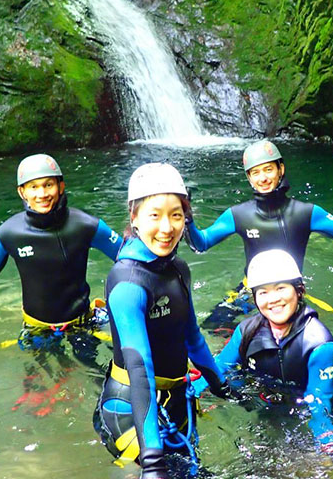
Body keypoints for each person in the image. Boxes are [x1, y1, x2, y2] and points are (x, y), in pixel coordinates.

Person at [0, 153, 123, 413]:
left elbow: (127, 258)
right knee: (37, 397)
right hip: (37, 330)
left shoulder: (86, 225)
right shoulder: (8, 233)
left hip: (82, 323)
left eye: (48, 185)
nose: (42, 193)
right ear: (22, 192)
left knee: (100, 381)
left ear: (61, 186)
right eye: (33, 187)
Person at [94, 163, 231, 479]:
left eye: (176, 215)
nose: (167, 227)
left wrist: (221, 386)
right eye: (154, 215)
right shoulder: (127, 282)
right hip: (131, 409)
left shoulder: (179, 269)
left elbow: (193, 337)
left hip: (176, 402)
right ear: (135, 219)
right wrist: (153, 462)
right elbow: (140, 369)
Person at [185, 139, 333, 327]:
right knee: (213, 327)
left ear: (281, 169)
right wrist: (188, 222)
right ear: (249, 178)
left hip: (290, 293)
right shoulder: (238, 215)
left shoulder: (306, 213)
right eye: (255, 173)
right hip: (253, 290)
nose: (262, 178)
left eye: (268, 169)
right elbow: (201, 243)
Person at [193, 249, 333, 456]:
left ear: (299, 290)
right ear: (255, 298)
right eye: (263, 292)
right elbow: (219, 368)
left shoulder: (319, 345)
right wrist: (187, 391)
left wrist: (325, 434)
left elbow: (319, 399)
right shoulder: (246, 331)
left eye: (281, 288)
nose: (273, 299)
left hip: (299, 404)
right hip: (259, 399)